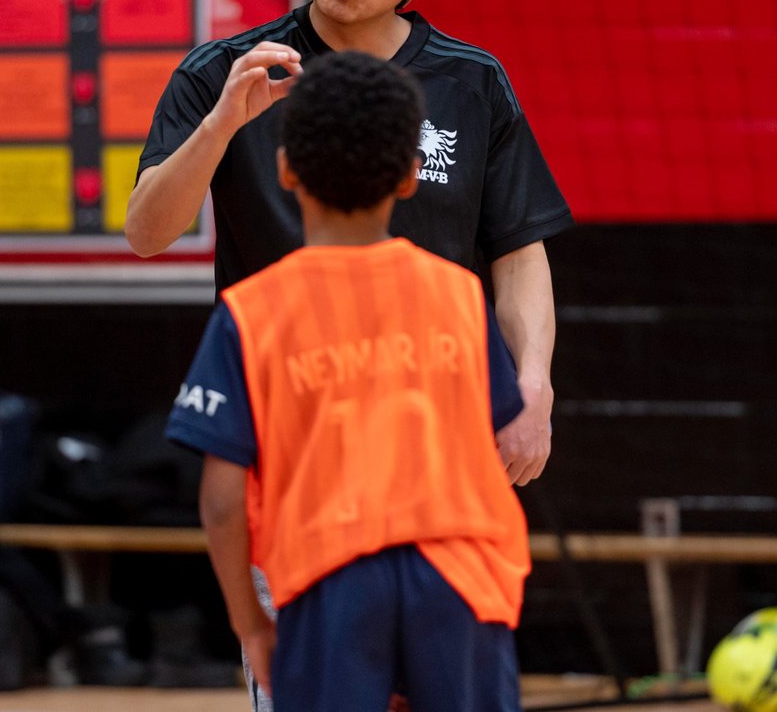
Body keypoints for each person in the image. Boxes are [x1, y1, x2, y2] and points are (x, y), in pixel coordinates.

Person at [127, 0, 572, 488]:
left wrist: (533, 388)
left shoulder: (472, 82)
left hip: (435, 428)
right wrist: (221, 124)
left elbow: (519, 252)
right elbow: (147, 234)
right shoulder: (223, 74)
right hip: (287, 432)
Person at [165, 52, 530, 711]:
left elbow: (221, 500)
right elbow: (495, 438)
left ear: (285, 171)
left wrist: (252, 624)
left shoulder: (252, 312)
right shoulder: (460, 296)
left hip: (330, 580)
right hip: (462, 577)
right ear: (413, 177)